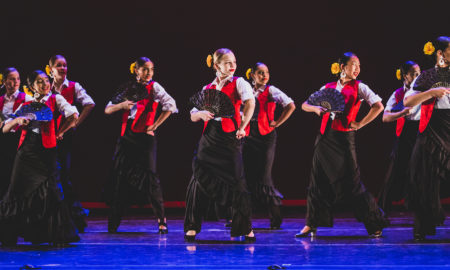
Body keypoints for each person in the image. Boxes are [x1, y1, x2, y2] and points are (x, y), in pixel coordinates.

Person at [296, 52, 388, 238]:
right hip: (324, 137)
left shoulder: (359, 87)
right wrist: (316, 109)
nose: (357, 69)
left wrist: (360, 124)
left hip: (344, 139)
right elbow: (304, 104)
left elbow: (379, 106)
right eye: (353, 64)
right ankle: (311, 223)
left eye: (359, 65)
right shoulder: (328, 86)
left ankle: (374, 222)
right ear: (342, 67)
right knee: (317, 181)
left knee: (352, 184)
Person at [0, 70, 79, 246]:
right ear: (31, 87)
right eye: (40, 82)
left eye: (46, 80)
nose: (45, 84)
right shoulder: (27, 104)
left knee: (52, 190)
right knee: (16, 191)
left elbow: (73, 115)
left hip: (47, 151)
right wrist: (17, 121)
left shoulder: (55, 99)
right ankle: (9, 236)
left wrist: (60, 132)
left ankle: (55, 235)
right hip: (27, 151)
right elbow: (5, 128)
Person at [184, 48, 256, 241]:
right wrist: (199, 114)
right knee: (199, 177)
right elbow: (192, 113)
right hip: (209, 137)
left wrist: (242, 126)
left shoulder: (239, 82)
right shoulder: (208, 88)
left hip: (229, 136)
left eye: (234, 62)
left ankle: (245, 226)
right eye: (227, 63)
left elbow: (250, 103)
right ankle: (192, 225)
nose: (232, 66)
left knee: (237, 180)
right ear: (216, 66)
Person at [104, 57, 177, 234]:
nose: (149, 73)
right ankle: (114, 221)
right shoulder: (127, 88)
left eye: (151, 69)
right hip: (126, 136)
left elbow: (171, 105)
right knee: (120, 176)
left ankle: (161, 219)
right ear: (136, 70)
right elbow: (107, 109)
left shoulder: (155, 87)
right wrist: (122, 105)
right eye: (145, 69)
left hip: (145, 136)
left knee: (151, 177)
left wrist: (156, 124)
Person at [404, 36, 450, 241]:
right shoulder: (426, 76)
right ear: (440, 53)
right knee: (424, 178)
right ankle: (423, 226)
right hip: (432, 128)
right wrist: (431, 92)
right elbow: (408, 101)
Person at [243, 62, 295, 229]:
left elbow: (290, 105)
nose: (264, 76)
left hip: (265, 137)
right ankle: (243, 218)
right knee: (247, 177)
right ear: (252, 75)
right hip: (248, 137)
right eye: (260, 73)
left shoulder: (271, 90)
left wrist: (277, 123)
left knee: (264, 177)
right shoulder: (247, 90)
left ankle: (276, 217)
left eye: (266, 72)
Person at [47, 55, 96, 232]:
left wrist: (75, 124)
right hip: (45, 137)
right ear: (50, 69)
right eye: (58, 65)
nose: (62, 68)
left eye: (65, 65)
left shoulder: (73, 87)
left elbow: (89, 104)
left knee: (64, 176)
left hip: (64, 138)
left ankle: (73, 216)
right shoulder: (45, 85)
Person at [378, 61, 421, 214]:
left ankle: (417, 209)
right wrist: (402, 113)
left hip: (422, 133)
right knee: (395, 171)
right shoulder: (398, 94)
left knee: (419, 172)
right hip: (405, 134)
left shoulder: (423, 91)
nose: (418, 76)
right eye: (414, 74)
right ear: (405, 76)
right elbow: (385, 117)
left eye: (419, 73)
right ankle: (383, 210)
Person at [0, 67, 32, 198]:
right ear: (5, 81)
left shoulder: (26, 97)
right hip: (3, 139)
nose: (16, 81)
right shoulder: (1, 99)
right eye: (12, 79)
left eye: (18, 78)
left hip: (19, 140)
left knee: (16, 174)